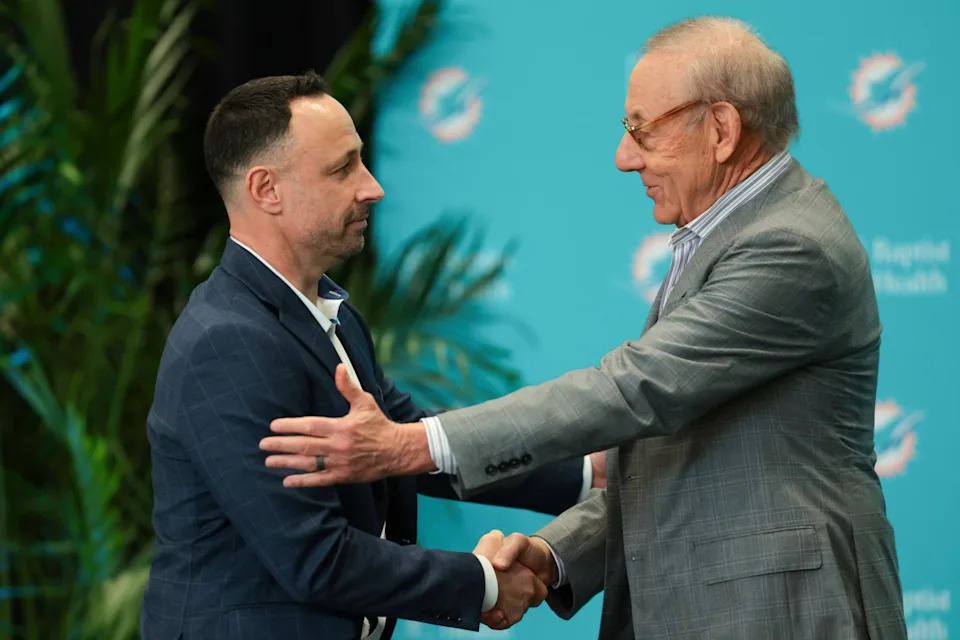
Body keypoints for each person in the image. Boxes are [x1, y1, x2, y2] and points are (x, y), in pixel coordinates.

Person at [259, 17, 908, 640]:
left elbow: (633, 390)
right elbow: (681, 460)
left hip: (782, 614)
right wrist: (554, 554)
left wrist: (411, 446)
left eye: (641, 130)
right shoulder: (733, 234)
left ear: (721, 128)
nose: (625, 158)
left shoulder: (789, 248)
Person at [140, 71, 604, 640]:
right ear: (266, 190)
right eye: (342, 169)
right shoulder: (228, 341)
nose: (372, 187)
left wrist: (586, 473)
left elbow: (406, 444)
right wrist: (483, 582)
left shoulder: (331, 311)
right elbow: (314, 557)